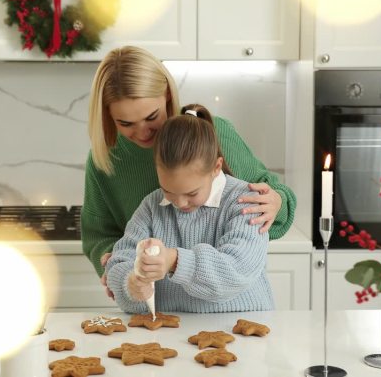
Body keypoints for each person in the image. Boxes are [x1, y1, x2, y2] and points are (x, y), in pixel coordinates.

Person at [82, 46, 296, 296]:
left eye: (152, 117)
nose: (142, 133)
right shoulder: (105, 159)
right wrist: (115, 264)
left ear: (167, 96)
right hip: (158, 303)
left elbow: (269, 193)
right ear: (108, 116)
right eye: (126, 123)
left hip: (224, 302)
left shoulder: (212, 135)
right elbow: (98, 235)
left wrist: (276, 202)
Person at [105, 104, 273, 313]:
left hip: (243, 328)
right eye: (168, 190)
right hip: (171, 333)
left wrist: (174, 260)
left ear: (216, 168)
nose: (180, 203)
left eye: (192, 193)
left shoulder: (247, 202)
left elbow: (236, 271)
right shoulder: (151, 206)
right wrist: (131, 284)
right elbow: (119, 261)